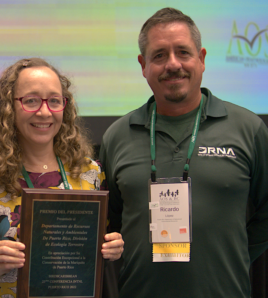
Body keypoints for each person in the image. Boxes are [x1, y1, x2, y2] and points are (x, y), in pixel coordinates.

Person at [100, 7, 268, 298]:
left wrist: (236, 254)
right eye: (159, 55)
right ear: (143, 65)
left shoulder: (248, 128)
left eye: (183, 52)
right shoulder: (117, 136)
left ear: (201, 59)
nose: (173, 64)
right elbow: (110, 223)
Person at [0, 58, 124, 298]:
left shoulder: (91, 174)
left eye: (54, 101)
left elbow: (100, 247)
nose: (44, 112)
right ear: (9, 107)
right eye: (31, 101)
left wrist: (113, 247)